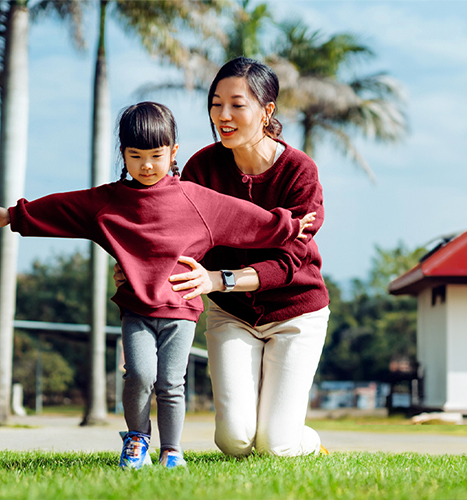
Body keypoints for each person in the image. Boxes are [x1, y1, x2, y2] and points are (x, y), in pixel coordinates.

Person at [0, 101, 315, 469]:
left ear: (173, 152)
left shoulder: (196, 198)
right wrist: (15, 215)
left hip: (181, 310)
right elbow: (65, 208)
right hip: (136, 309)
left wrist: (287, 226)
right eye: (135, 156)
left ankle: (172, 450)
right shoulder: (109, 201)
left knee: (171, 382)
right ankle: (137, 439)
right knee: (139, 375)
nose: (146, 165)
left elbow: (243, 218)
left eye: (156, 155)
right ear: (123, 154)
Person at [117, 57, 330, 457]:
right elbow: (171, 232)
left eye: (237, 104)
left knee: (277, 445)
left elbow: (289, 264)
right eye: (216, 104)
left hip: (296, 315)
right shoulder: (203, 167)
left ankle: (307, 440)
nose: (223, 116)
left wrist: (217, 280)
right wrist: (136, 268)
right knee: (234, 441)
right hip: (233, 316)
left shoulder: (300, 172)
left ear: (267, 111)